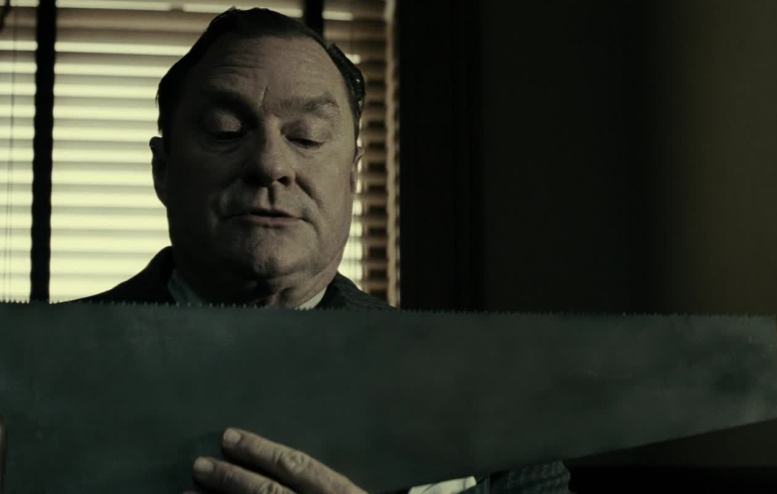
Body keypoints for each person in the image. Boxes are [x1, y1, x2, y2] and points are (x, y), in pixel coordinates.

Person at [0, 8, 572, 494]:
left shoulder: (490, 395)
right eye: (226, 130)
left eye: (307, 137)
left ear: (353, 177)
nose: (270, 164)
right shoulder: (24, 375)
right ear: (163, 170)